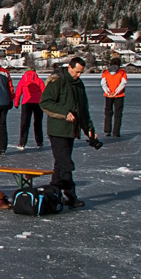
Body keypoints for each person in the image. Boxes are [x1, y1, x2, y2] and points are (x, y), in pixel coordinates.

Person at [40, 57, 100, 208]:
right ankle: (70, 196)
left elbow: (83, 110)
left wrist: (90, 130)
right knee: (66, 164)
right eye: (77, 72)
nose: (79, 75)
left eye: (81, 72)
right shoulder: (57, 81)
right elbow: (45, 102)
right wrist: (65, 112)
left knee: (60, 166)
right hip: (57, 130)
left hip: (71, 131)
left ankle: (55, 195)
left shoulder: (78, 84)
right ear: (70, 67)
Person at [13, 68, 45, 149]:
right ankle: (39, 142)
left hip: (26, 103)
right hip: (38, 103)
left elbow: (18, 92)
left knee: (25, 123)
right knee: (38, 123)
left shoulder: (23, 80)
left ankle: (22, 143)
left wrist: (16, 103)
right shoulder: (39, 80)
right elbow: (44, 92)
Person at [100, 57, 128, 137]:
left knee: (108, 113)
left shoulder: (106, 72)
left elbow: (103, 83)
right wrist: (116, 92)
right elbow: (123, 83)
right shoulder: (122, 72)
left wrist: (108, 92)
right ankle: (116, 132)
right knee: (118, 114)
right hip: (119, 95)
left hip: (108, 95)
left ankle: (107, 131)